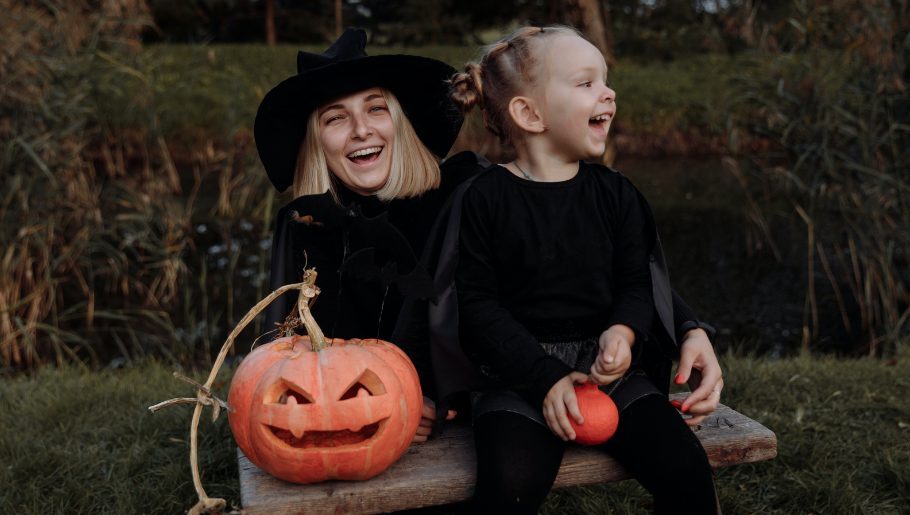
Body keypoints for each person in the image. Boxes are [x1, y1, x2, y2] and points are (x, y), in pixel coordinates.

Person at [443, 26, 724, 513]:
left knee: (686, 471)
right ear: (529, 114)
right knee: (509, 483)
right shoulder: (485, 200)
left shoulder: (616, 194)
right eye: (586, 83)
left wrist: (624, 330)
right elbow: (478, 307)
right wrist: (544, 376)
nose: (608, 93)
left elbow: (637, 282)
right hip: (518, 374)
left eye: (606, 81)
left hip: (610, 371)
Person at [253, 28, 472, 442]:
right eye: (336, 118)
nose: (360, 130)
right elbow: (282, 350)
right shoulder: (304, 227)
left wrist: (448, 400)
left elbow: (492, 320)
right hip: (342, 426)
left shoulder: (460, 200)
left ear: (400, 122)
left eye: (376, 109)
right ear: (317, 143)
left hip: (446, 420)